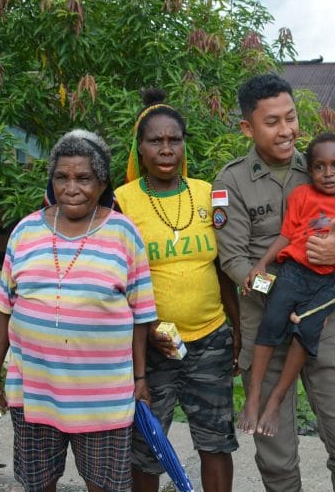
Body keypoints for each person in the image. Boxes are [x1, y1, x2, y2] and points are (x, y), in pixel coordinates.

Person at [212, 73, 335, 492]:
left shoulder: (323, 165)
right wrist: (280, 294)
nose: (287, 130)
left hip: (323, 325)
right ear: (248, 127)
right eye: (272, 122)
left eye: (291, 117)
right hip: (265, 333)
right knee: (277, 458)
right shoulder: (230, 183)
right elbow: (234, 262)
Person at [0, 129, 157, 492]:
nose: (71, 187)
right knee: (37, 484)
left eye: (83, 178)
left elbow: (141, 316)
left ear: (102, 182)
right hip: (34, 393)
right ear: (52, 180)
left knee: (104, 486)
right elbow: (4, 308)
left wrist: (140, 379)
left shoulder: (124, 234)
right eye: (62, 177)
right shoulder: (25, 232)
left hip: (103, 400)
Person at [114, 88, 240, 492]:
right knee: (147, 445)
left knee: (216, 442)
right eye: (156, 140)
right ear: (141, 147)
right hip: (150, 348)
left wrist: (236, 333)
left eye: (174, 139)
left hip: (210, 340)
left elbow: (224, 267)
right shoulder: (122, 201)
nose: (166, 149)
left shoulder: (207, 194)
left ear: (184, 144)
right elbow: (116, 280)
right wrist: (144, 335)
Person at [237, 132, 335, 437]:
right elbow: (286, 236)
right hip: (292, 273)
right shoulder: (302, 196)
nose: (328, 173)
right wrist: (262, 264)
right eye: (319, 166)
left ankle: (275, 401)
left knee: (305, 335)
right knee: (270, 325)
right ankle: (253, 398)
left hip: (328, 283)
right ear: (310, 170)